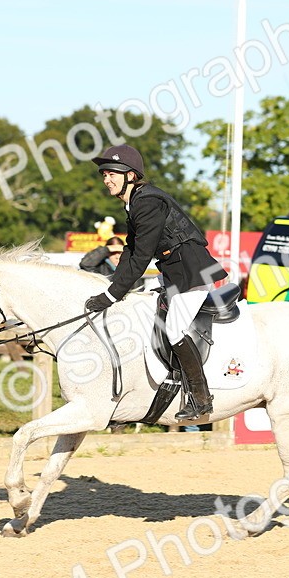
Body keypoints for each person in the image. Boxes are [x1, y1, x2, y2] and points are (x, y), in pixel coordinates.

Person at [84, 144, 228, 420]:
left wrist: (112, 295)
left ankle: (200, 398)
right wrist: (114, 284)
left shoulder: (147, 202)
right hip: (175, 272)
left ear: (130, 175)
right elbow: (130, 249)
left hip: (192, 271)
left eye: (112, 173)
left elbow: (141, 257)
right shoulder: (135, 202)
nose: (106, 179)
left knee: (174, 330)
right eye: (104, 174)